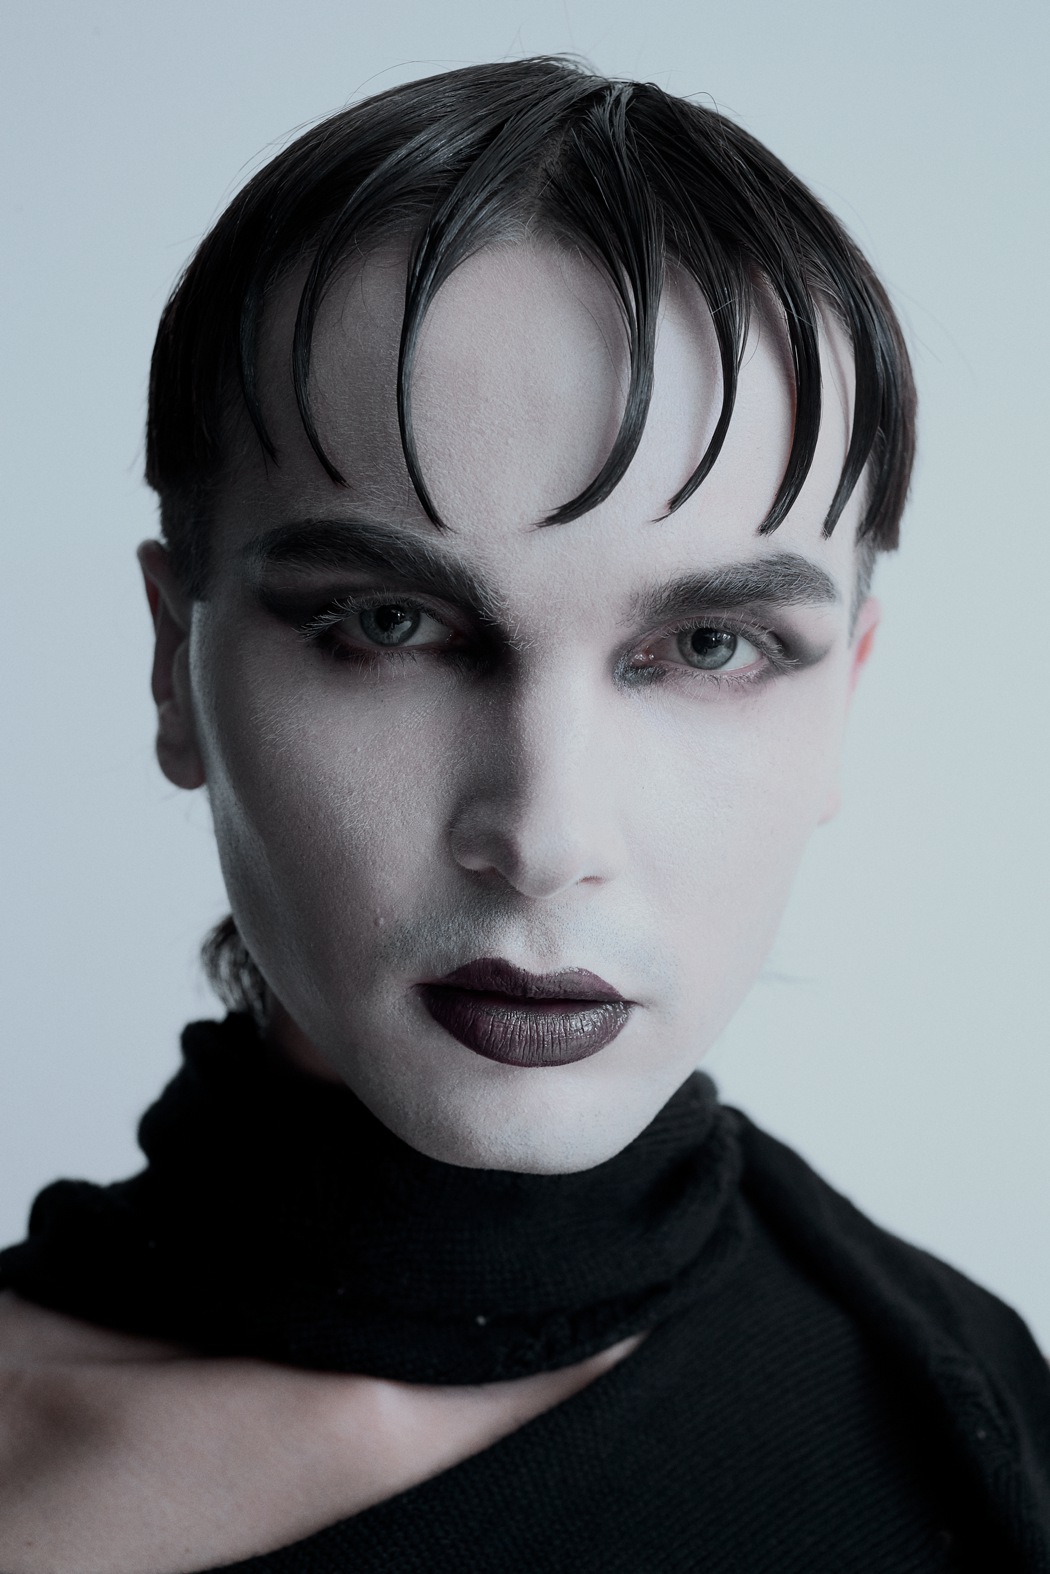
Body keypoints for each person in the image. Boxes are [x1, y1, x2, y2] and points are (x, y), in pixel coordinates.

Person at [0, 55, 1047, 1574]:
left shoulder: (975, 1422)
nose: (546, 840)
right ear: (175, 662)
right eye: (387, 623)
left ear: (844, 697)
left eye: (710, 646)